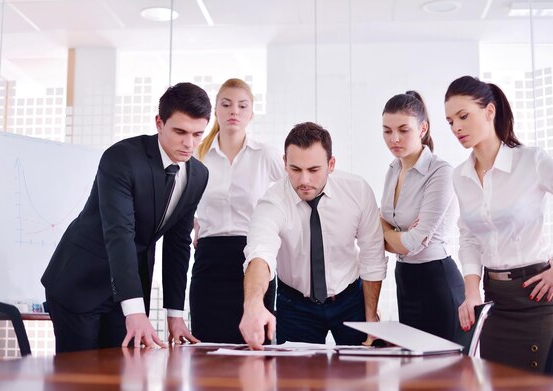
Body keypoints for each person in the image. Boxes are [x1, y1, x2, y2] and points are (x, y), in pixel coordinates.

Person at [41, 82, 212, 353]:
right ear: (159, 123)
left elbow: (178, 244)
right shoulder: (121, 158)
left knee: (121, 377)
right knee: (80, 381)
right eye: (180, 131)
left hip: (128, 286)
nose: (189, 143)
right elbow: (119, 233)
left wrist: (175, 315)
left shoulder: (198, 175)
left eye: (197, 134)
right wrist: (135, 310)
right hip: (81, 281)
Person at [445, 75, 553, 372]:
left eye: (463, 116)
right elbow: (469, 238)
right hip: (496, 304)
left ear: (489, 111)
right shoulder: (460, 176)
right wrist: (471, 292)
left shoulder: (532, 161)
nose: (456, 127)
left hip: (541, 298)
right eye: (449, 121)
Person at [239, 122, 387, 350]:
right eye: (296, 170)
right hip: (295, 304)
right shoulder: (273, 202)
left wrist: (370, 317)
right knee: (296, 381)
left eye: (314, 170)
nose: (304, 180)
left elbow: (372, 255)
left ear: (331, 164)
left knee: (361, 378)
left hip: (350, 299)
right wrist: (253, 304)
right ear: (285, 164)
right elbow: (260, 254)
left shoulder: (357, 191)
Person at [189, 78, 283, 343]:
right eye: (226, 105)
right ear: (215, 111)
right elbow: (182, 200)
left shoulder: (265, 155)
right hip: (209, 259)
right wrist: (195, 223)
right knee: (206, 349)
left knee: (254, 348)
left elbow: (294, 192)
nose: (234, 111)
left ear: (251, 114)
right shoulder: (197, 154)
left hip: (253, 260)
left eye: (242, 106)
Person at [380, 91, 465, 342]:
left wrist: (387, 233)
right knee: (413, 374)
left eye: (403, 130)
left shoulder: (440, 172)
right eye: (387, 130)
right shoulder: (393, 169)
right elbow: (385, 228)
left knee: (445, 374)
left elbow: (414, 243)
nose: (394, 138)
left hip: (437, 281)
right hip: (405, 280)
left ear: (422, 128)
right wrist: (398, 235)